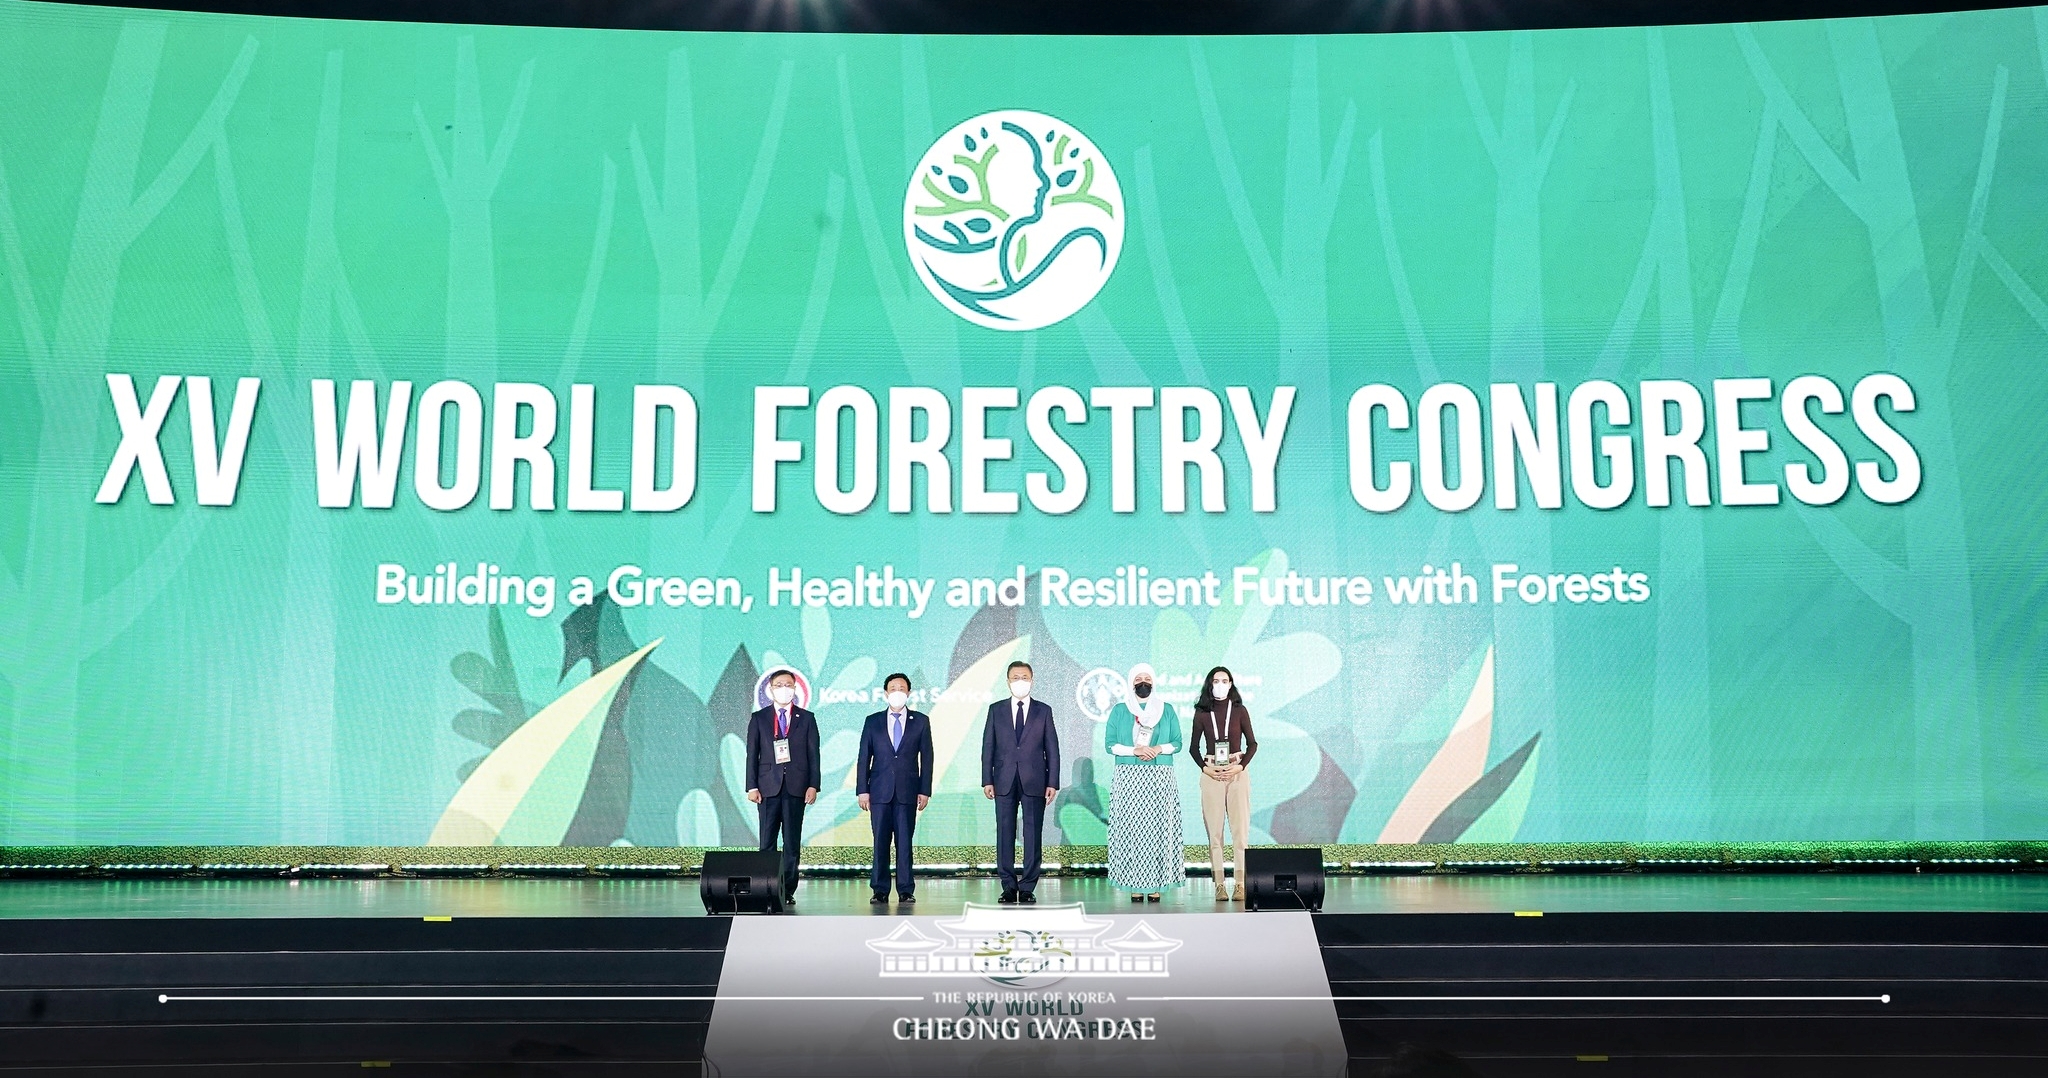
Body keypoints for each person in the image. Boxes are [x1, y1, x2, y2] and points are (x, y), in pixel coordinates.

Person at [1104, 663, 1185, 902]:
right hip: (1129, 776)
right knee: (1132, 830)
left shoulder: (1166, 709)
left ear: (1154, 682)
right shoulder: (1120, 710)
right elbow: (1110, 745)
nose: (1143, 682)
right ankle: (1134, 885)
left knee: (1158, 829)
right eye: (1138, 678)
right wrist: (1135, 750)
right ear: (1131, 683)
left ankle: (1156, 883)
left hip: (1160, 776)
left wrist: (1157, 748)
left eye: (1147, 678)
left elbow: (1177, 743)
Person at [982, 660, 1060, 905]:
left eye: (1024, 677)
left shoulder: (1043, 710)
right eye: (1015, 677)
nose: (1020, 681)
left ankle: (1027, 886)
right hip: (1003, 780)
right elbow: (988, 747)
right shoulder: (996, 710)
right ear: (1008, 681)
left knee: (1032, 834)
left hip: (1035, 780)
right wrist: (987, 779)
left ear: (1032, 680)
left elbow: (1052, 749)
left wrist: (1053, 782)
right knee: (1005, 833)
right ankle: (1008, 886)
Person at [857, 673, 933, 905]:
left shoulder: (920, 721)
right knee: (880, 842)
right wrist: (862, 789)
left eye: (902, 688)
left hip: (908, 791)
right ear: (886, 693)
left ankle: (905, 889)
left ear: (908, 693)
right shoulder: (873, 721)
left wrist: (925, 790)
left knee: (904, 842)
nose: (897, 691)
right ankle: (879, 889)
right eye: (893, 688)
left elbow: (927, 757)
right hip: (879, 791)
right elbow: (864, 758)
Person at [745, 668, 819, 906]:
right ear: (771, 689)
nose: (784, 688)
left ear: (795, 688)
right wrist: (751, 786)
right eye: (779, 685)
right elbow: (751, 755)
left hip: (797, 789)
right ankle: (764, 887)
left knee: (791, 842)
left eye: (788, 684)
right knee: (766, 842)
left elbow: (813, 755)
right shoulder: (759, 718)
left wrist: (813, 785)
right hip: (767, 789)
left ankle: (787, 890)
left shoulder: (806, 718)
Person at [1188, 665, 1257, 902]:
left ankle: (1240, 883)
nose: (1220, 684)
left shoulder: (1239, 710)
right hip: (1212, 774)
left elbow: (1253, 744)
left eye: (1224, 680)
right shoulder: (1201, 713)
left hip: (1237, 772)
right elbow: (1193, 748)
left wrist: (1240, 766)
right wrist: (1206, 769)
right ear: (1210, 685)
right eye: (1216, 681)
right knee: (1215, 833)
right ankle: (1219, 884)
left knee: (1240, 832)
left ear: (1231, 684)